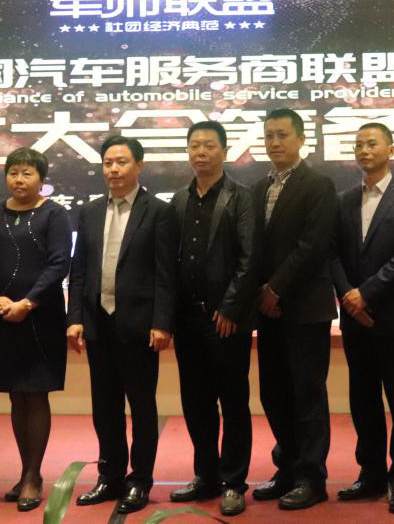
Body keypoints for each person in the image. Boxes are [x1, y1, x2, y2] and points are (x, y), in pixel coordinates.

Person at [67, 134, 176, 514]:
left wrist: (162, 322)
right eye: (108, 163)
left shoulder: (158, 211)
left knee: (142, 408)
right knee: (105, 407)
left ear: (139, 165)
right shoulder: (90, 211)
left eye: (122, 162)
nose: (113, 169)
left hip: (140, 326)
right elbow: (79, 271)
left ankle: (140, 480)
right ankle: (110, 476)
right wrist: (75, 318)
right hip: (99, 324)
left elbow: (166, 272)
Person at [329, 122, 394, 514]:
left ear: (391, 149)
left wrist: (366, 294)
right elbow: (332, 253)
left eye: (372, 144)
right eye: (359, 145)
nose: (364, 150)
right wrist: (348, 296)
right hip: (355, 320)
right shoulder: (344, 200)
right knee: (363, 401)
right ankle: (370, 474)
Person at [0, 147, 72, 513]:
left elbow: (59, 263)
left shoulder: (54, 214)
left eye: (27, 173)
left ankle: (33, 475)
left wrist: (27, 303)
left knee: (36, 394)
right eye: (13, 172)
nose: (19, 179)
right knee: (16, 395)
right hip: (1, 317)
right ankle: (25, 471)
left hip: (40, 318)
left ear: (41, 179)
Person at [167, 121, 259, 518]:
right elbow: (168, 261)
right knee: (196, 401)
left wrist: (231, 308)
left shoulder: (241, 197)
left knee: (233, 402)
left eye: (208, 145)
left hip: (226, 320)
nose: (200, 152)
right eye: (194, 146)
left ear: (224, 151)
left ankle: (234, 482)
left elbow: (250, 258)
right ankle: (205, 475)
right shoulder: (178, 200)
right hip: (188, 318)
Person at [250, 108, 338, 511]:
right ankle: (286, 468)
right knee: (274, 394)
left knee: (307, 395)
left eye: (283, 135)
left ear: (301, 139)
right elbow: (253, 249)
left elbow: (313, 245)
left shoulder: (318, 185)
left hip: (305, 309)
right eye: (269, 135)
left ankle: (311, 478)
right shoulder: (257, 188)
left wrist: (276, 289)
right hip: (267, 312)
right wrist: (261, 293)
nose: (275, 142)